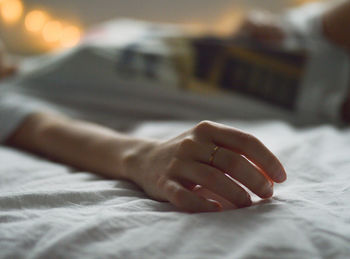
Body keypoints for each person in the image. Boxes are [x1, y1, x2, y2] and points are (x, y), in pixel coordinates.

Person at [1, 0, 349, 213]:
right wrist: (142, 158)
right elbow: (45, 132)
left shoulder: (56, 50)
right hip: (303, 94)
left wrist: (245, 25)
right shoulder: (8, 95)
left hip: (299, 36)